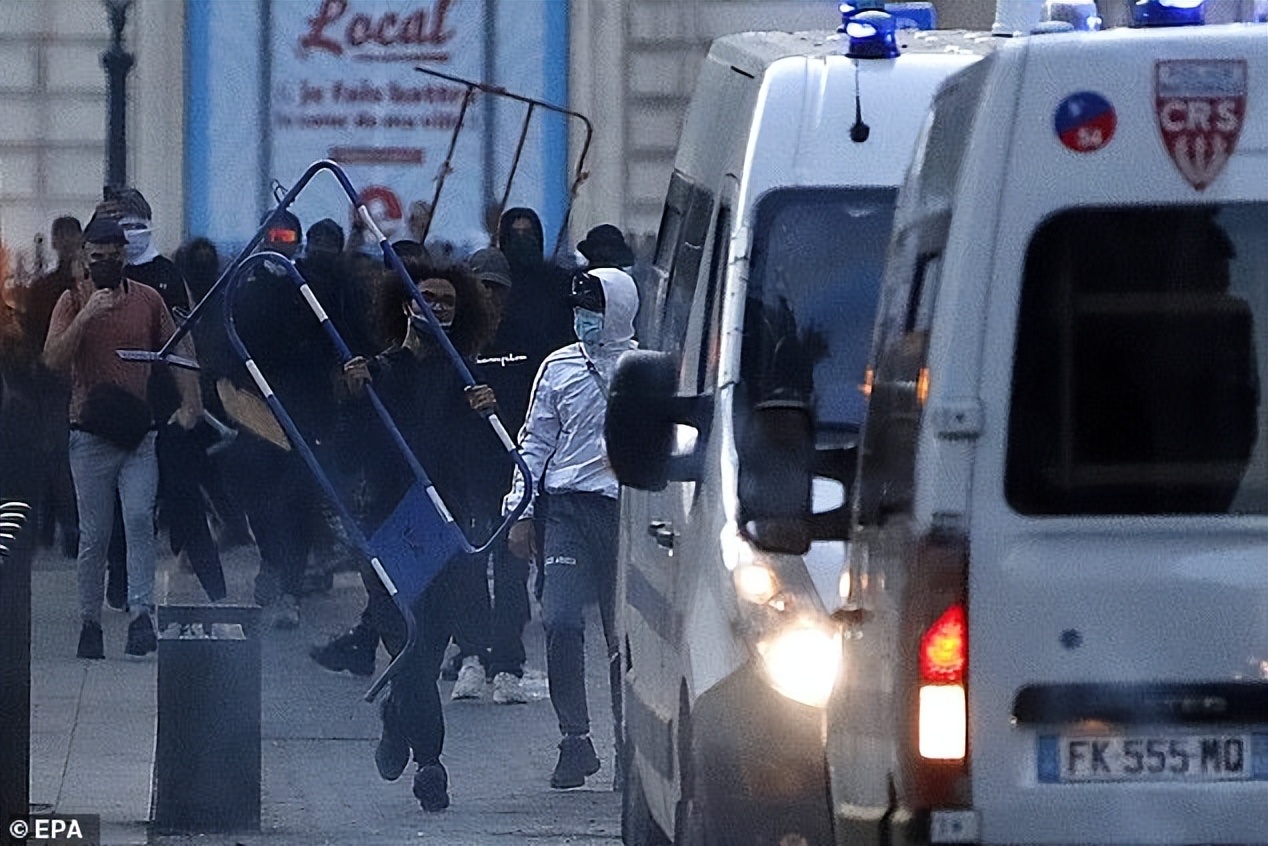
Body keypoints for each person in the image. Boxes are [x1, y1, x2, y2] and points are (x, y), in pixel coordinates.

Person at [341, 257, 500, 812]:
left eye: (448, 302)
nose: (436, 308)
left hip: (446, 530)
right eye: (426, 298)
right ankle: (431, 762)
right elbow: (348, 451)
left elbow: (486, 465)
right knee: (406, 640)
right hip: (386, 528)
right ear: (406, 304)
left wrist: (486, 416)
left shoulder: (467, 378)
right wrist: (352, 397)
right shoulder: (377, 374)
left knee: (427, 649)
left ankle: (396, 714)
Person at [43, 215, 203, 659]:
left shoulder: (147, 299)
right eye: (99, 257)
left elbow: (177, 349)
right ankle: (89, 621)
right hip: (90, 431)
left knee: (137, 519)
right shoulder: (71, 300)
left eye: (115, 257)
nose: (107, 264)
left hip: (138, 432)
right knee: (95, 534)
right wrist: (86, 315)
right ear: (85, 257)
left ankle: (140, 614)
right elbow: (53, 358)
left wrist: (192, 399)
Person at [503, 267, 639, 788]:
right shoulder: (558, 368)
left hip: (626, 515)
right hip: (566, 513)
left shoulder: (647, 369)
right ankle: (575, 740)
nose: (584, 318)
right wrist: (519, 512)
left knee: (623, 638)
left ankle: (629, 749)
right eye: (579, 308)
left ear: (619, 311)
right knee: (560, 620)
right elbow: (534, 443)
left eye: (594, 309)